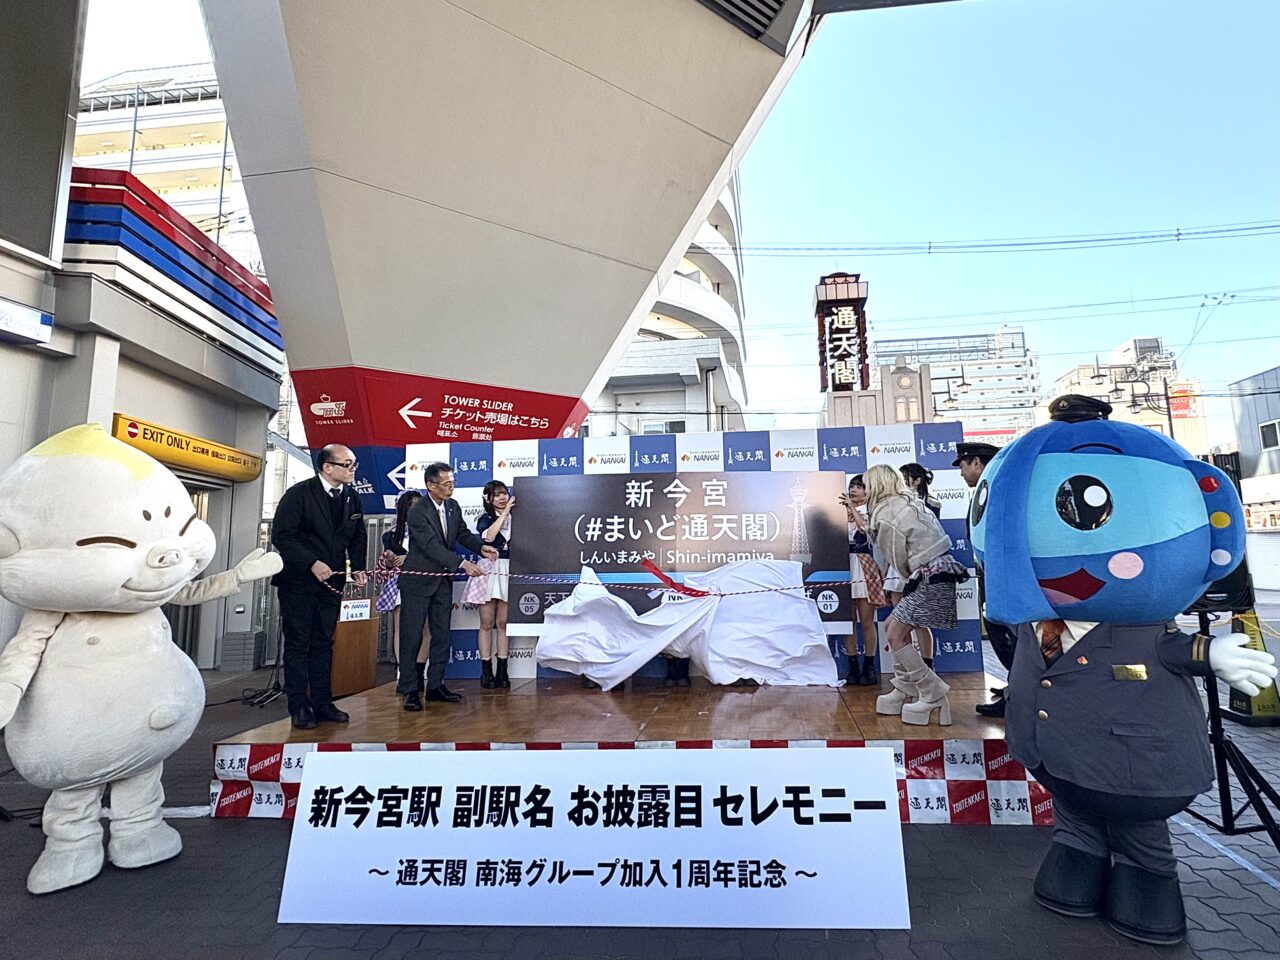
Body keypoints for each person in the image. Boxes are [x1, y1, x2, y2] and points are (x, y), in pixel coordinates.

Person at [851, 464, 966, 725]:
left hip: (928, 577)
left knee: (894, 632)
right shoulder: (906, 501)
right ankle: (905, 688)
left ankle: (932, 691)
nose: (863, 490)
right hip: (938, 573)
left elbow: (897, 560)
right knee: (893, 626)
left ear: (876, 486)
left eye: (866, 484)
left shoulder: (887, 514)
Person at [271, 444, 368, 729]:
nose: (353, 469)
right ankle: (299, 706)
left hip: (332, 582)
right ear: (327, 467)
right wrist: (311, 562)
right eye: (347, 464)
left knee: (324, 642)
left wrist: (358, 567)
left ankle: (323, 702)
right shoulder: (298, 494)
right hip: (299, 582)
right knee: (299, 642)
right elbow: (282, 536)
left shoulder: (351, 496)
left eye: (354, 464)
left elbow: (358, 535)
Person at [396, 462, 498, 710]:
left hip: (442, 581)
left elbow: (461, 534)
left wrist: (479, 547)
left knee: (441, 634)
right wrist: (462, 563)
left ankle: (435, 686)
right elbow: (431, 546)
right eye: (446, 483)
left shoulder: (452, 506)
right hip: (418, 581)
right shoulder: (417, 511)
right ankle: (410, 688)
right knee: (412, 636)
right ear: (431, 485)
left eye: (453, 482)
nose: (451, 487)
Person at [952, 441, 1018, 718]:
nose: (962, 473)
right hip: (993, 575)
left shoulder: (997, 493)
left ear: (977, 463)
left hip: (1002, 578)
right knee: (1001, 633)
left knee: (1007, 635)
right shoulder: (992, 490)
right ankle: (1016, 686)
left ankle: (1018, 695)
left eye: (964, 466)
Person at [462, 480, 514, 689]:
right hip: (489, 569)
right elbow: (489, 538)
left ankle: (503, 670)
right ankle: (486, 671)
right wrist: (504, 513)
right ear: (489, 498)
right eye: (497, 494)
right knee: (486, 623)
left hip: (510, 569)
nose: (502, 498)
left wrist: (510, 513)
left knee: (503, 623)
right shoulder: (484, 519)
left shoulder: (519, 518)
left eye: (504, 493)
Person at [839, 475, 888, 685]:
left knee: (867, 621)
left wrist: (852, 508)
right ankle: (852, 666)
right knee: (847, 621)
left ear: (868, 492)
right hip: (842, 565)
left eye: (859, 487)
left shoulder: (872, 512)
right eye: (852, 486)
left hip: (864, 564)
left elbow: (868, 532)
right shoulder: (839, 512)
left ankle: (869, 666)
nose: (854, 490)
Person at [898, 463, 941, 666]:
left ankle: (927, 665)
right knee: (899, 619)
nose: (902, 482)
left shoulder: (932, 503)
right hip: (899, 564)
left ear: (917, 480)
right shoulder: (897, 504)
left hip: (924, 564)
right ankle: (908, 666)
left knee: (921, 620)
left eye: (906, 478)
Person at [377, 491, 421, 676]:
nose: (415, 508)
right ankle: (402, 670)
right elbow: (388, 563)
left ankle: (420, 669)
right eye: (411, 504)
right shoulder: (391, 535)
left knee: (424, 627)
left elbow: (434, 554)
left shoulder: (427, 531)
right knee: (401, 626)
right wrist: (389, 558)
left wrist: (409, 558)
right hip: (400, 582)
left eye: (419, 504)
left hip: (423, 580)